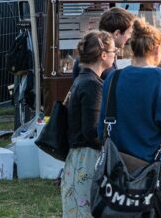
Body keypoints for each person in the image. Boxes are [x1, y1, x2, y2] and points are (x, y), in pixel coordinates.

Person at [97, 20, 161, 213]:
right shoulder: (160, 78)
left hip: (117, 165)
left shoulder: (113, 77)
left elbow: (102, 128)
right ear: (157, 49)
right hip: (156, 164)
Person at [63, 31, 115, 217]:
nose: (115, 55)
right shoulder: (92, 85)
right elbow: (91, 132)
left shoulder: (82, 79)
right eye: (113, 51)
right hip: (87, 160)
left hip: (78, 158)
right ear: (103, 55)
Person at [71, 7, 136, 79]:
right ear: (117, 33)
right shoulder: (104, 62)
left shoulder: (86, 54)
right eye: (129, 33)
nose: (130, 37)